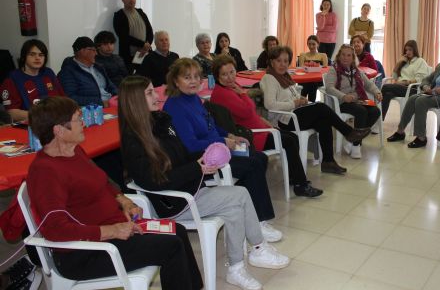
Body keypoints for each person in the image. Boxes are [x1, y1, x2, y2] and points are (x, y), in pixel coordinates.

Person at [118, 76, 290, 290]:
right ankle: (257, 249)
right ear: (135, 101)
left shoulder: (160, 123)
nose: (157, 96)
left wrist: (204, 158)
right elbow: (155, 181)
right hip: (175, 202)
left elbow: (182, 155)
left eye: (154, 91)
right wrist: (197, 168)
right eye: (150, 93)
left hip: (189, 189)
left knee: (235, 207)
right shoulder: (134, 140)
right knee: (240, 194)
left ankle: (238, 266)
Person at [26, 96, 202, 290]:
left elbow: (102, 181)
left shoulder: (74, 151)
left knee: (178, 230)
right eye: (77, 119)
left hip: (113, 232)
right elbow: (55, 229)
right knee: (171, 246)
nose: (83, 122)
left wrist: (124, 200)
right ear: (59, 130)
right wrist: (113, 231)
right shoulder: (45, 172)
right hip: (85, 253)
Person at [162, 58, 282, 241]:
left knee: (259, 158)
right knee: (252, 165)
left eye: (196, 76)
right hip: (201, 158)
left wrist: (230, 136)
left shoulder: (194, 98)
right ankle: (258, 221)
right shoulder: (175, 105)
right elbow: (190, 145)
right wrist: (223, 141)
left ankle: (250, 211)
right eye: (187, 77)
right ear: (176, 81)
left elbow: (211, 125)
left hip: (216, 147)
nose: (193, 81)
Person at [209, 55, 323, 197]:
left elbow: (251, 112)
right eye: (224, 74)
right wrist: (244, 95)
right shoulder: (224, 93)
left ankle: (296, 178)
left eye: (232, 72)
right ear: (217, 76)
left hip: (259, 130)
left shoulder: (231, 87)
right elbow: (248, 110)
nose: (230, 77)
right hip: (251, 136)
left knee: (292, 137)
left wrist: (265, 122)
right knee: (289, 140)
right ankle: (301, 185)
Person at [260, 46, 371, 175]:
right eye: (279, 61)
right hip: (284, 120)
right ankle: (348, 132)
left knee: (323, 121)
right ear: (272, 62)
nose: (282, 64)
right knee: (321, 107)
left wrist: (300, 99)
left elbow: (289, 96)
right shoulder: (269, 78)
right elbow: (269, 105)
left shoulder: (284, 77)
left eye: (285, 61)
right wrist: (294, 103)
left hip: (293, 114)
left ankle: (328, 162)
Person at [386, 42, 440, 148]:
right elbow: (426, 79)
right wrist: (425, 87)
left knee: (420, 101)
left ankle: (421, 138)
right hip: (433, 95)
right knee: (412, 98)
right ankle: (400, 131)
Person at [324, 45, 382, 159]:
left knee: (375, 111)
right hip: (342, 102)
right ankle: (356, 146)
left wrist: (377, 92)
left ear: (352, 58)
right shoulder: (333, 69)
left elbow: (368, 84)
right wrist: (343, 96)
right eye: (343, 55)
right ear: (339, 56)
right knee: (362, 111)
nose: (345, 58)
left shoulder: (356, 70)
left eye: (349, 55)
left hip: (358, 99)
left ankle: (352, 138)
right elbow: (329, 88)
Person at [0, 39, 64, 122]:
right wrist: (43, 116)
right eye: (32, 54)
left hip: (57, 121)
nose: (37, 58)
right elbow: (11, 113)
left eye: (41, 55)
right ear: (23, 57)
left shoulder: (48, 73)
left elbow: (63, 99)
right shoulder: (12, 78)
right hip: (31, 124)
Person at [58, 37, 117, 107]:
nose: (96, 53)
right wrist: (100, 103)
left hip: (111, 103)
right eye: (93, 50)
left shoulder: (98, 67)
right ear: (82, 51)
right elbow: (71, 97)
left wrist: (119, 96)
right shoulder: (68, 72)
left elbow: (111, 86)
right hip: (93, 108)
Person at [380, 39, 430, 119]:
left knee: (385, 87)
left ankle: (375, 117)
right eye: (406, 50)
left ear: (415, 50)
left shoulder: (420, 61)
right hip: (400, 88)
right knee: (387, 94)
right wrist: (398, 63)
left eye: (410, 50)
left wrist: (405, 82)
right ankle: (379, 120)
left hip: (412, 89)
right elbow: (395, 77)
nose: (407, 52)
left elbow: (420, 79)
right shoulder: (404, 62)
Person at [113, 0, 153, 69]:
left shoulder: (141, 12)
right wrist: (142, 45)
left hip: (144, 53)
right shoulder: (119, 15)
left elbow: (150, 31)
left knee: (145, 77)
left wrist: (146, 46)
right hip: (129, 56)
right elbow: (123, 36)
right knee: (131, 79)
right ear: (123, 0)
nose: (131, 0)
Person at [298, 35, 328, 102]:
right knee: (310, 84)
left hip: (318, 79)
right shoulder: (303, 55)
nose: (311, 46)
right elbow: (301, 68)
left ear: (318, 44)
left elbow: (325, 69)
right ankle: (311, 103)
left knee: (311, 84)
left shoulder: (323, 55)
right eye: (309, 44)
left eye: (313, 44)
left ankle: (303, 100)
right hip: (305, 78)